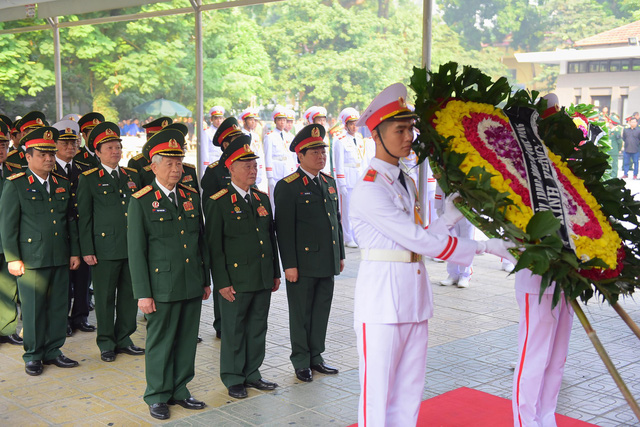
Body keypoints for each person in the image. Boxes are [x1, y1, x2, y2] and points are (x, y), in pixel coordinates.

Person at [349, 83, 516, 426]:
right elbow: (417, 241)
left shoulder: (404, 180)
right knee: (377, 399)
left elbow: (418, 239)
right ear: (377, 136)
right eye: (400, 129)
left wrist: (448, 218)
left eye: (411, 128)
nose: (409, 136)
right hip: (381, 301)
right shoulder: (369, 187)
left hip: (412, 297)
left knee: (409, 393)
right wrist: (484, 247)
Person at [128, 128, 210, 420]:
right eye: (170, 163)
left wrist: (205, 279)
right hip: (161, 286)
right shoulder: (141, 200)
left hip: (190, 281)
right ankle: (157, 394)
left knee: (187, 339)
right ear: (153, 166)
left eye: (179, 162)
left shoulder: (190, 195)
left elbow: (200, 240)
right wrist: (143, 293)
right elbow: (136, 252)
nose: (177, 169)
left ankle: (180, 389)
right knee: (161, 341)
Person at [0, 126, 82, 376]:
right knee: (34, 308)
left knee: (59, 306)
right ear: (28, 156)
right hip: (31, 259)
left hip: (59, 255)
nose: (48, 159)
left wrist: (74, 252)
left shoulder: (61, 183)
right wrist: (13, 258)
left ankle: (53, 350)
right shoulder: (16, 185)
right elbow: (8, 225)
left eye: (50, 153)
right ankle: (33, 354)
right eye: (42, 154)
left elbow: (70, 221)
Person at [205, 135, 281, 399]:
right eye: (246, 166)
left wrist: (274, 272)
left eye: (255, 165)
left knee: (258, 326)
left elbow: (270, 238)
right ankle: (234, 377)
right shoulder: (219, 201)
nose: (253, 170)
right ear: (231, 168)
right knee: (235, 329)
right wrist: (222, 282)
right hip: (235, 279)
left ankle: (252, 373)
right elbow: (214, 246)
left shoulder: (261, 199)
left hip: (260, 276)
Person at [274, 124, 345, 382]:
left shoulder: (329, 182)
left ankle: (317, 356)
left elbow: (335, 220)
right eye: (314, 152)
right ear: (300, 156)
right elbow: (283, 229)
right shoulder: (288, 186)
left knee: (321, 310)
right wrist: (289, 264)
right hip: (302, 264)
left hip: (327, 259)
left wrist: (340, 253)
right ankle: (301, 360)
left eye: (322, 151)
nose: (320, 156)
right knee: (301, 313)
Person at [77, 122, 145, 363]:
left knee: (129, 296)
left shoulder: (132, 176)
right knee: (105, 298)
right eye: (109, 148)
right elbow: (84, 218)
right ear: (98, 152)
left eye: (118, 147)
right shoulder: (89, 179)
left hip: (131, 249)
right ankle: (106, 342)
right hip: (103, 250)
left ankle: (124, 338)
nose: (115, 152)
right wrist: (86, 250)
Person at [512, 269, 573, 427]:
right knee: (534, 361)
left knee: (557, 360)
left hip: (568, 281)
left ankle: (547, 419)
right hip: (538, 282)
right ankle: (527, 423)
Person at [52, 119, 95, 336]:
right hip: (60, 233)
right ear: (55, 145)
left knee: (82, 278)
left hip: (82, 231)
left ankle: (81, 316)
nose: (71, 147)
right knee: (63, 282)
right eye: (65, 143)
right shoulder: (49, 169)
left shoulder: (84, 169)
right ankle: (63, 319)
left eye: (74, 142)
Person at [0, 121, 22, 347]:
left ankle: (6, 328)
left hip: (7, 240)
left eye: (4, 144)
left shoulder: (14, 172)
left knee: (8, 286)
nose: (1, 149)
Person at [332, 108, 368, 248]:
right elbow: (338, 163)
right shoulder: (339, 140)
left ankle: (356, 235)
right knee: (346, 210)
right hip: (347, 179)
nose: (354, 126)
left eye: (356, 123)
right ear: (345, 125)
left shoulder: (359, 139)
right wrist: (341, 183)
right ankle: (347, 237)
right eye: (351, 124)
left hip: (358, 177)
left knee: (357, 209)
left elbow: (363, 160)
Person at [201, 117, 244, 201]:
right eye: (236, 141)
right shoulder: (214, 171)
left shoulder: (247, 167)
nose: (240, 144)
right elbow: (210, 206)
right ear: (225, 145)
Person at [264, 106, 295, 199]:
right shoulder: (270, 136)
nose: (282, 122)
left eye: (284, 120)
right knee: (275, 199)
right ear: (275, 121)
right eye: (279, 120)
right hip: (276, 171)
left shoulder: (290, 136)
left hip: (288, 170)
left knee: (288, 198)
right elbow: (267, 156)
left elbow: (292, 156)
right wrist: (270, 176)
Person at [241, 107, 267, 192]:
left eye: (255, 120)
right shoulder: (240, 135)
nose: (254, 122)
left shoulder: (255, 136)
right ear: (244, 121)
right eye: (251, 120)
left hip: (255, 168)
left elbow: (259, 154)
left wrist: (260, 169)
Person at [200, 106, 226, 176]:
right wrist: (206, 167)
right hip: (212, 162)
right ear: (211, 119)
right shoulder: (207, 132)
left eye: (220, 118)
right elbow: (204, 151)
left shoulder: (225, 133)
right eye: (216, 118)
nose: (218, 121)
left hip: (223, 162)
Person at [608, 113, 623, 178]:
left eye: (609, 123)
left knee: (614, 165)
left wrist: (618, 149)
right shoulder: (609, 130)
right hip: (608, 151)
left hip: (614, 151)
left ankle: (614, 178)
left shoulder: (616, 131)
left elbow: (620, 142)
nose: (608, 124)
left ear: (612, 123)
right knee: (608, 165)